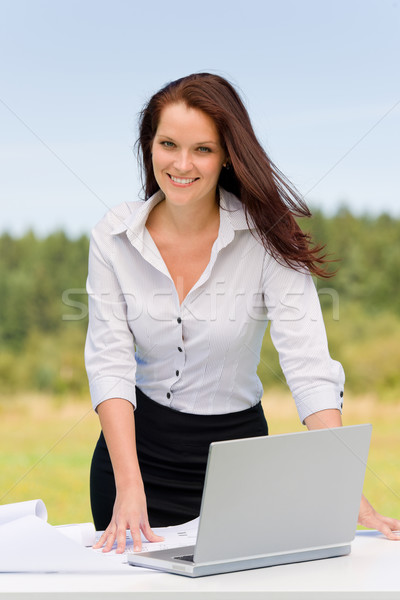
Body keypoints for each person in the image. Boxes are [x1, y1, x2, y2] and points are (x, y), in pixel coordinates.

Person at [85, 73, 400, 554]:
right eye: (168, 144)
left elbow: (308, 366)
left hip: (237, 465)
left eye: (203, 149)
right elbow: (109, 361)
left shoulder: (267, 237)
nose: (182, 164)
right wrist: (129, 484)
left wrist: (344, 490)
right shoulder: (113, 236)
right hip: (132, 463)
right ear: (149, 146)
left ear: (228, 154)